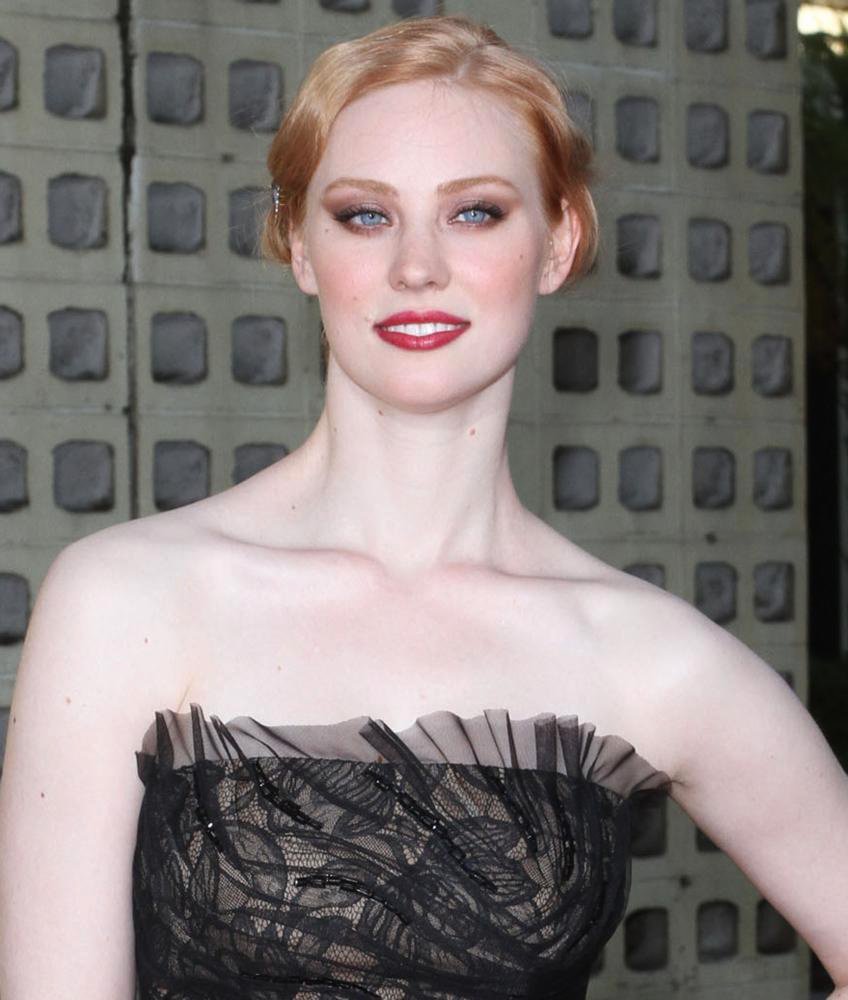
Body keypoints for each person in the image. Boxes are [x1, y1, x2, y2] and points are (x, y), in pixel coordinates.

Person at [0, 13, 846, 999]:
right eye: (365, 215)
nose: (416, 266)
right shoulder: (122, 601)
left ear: (559, 241)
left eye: (474, 212)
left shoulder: (650, 658)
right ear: (300, 244)